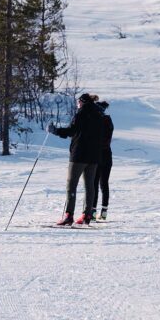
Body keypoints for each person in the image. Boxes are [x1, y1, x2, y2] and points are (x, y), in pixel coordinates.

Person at [47, 93, 105, 225]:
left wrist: (55, 130)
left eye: (78, 102)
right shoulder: (99, 115)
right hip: (94, 156)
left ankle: (69, 215)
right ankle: (87, 215)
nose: (77, 104)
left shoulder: (81, 114)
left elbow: (71, 131)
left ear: (82, 102)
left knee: (71, 184)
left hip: (79, 155)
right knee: (89, 186)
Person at [93, 100, 114, 221]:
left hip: (97, 155)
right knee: (104, 184)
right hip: (107, 156)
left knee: (94, 183)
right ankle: (104, 212)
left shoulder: (98, 121)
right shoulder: (108, 121)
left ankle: (93, 212)